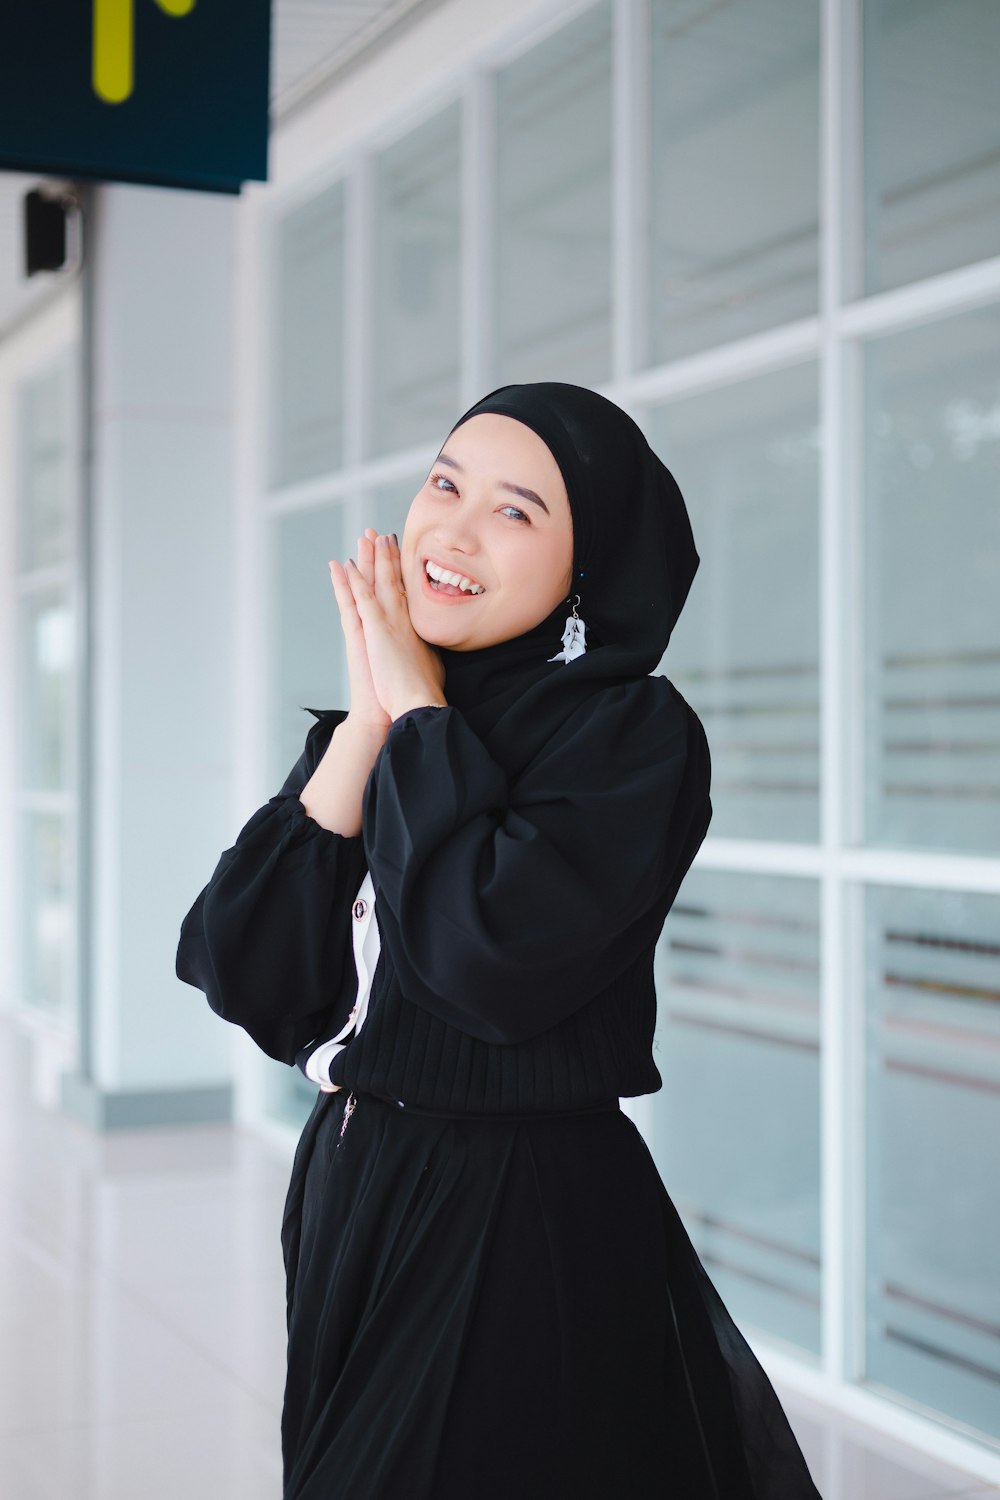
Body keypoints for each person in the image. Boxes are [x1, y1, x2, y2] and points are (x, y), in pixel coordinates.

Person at [175, 382, 823, 1499]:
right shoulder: (382, 727)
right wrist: (370, 729)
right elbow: (244, 972)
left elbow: (487, 961)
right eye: (444, 484)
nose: (455, 530)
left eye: (516, 511)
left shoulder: (631, 734)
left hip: (511, 1206)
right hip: (350, 1181)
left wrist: (418, 719)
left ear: (588, 569)